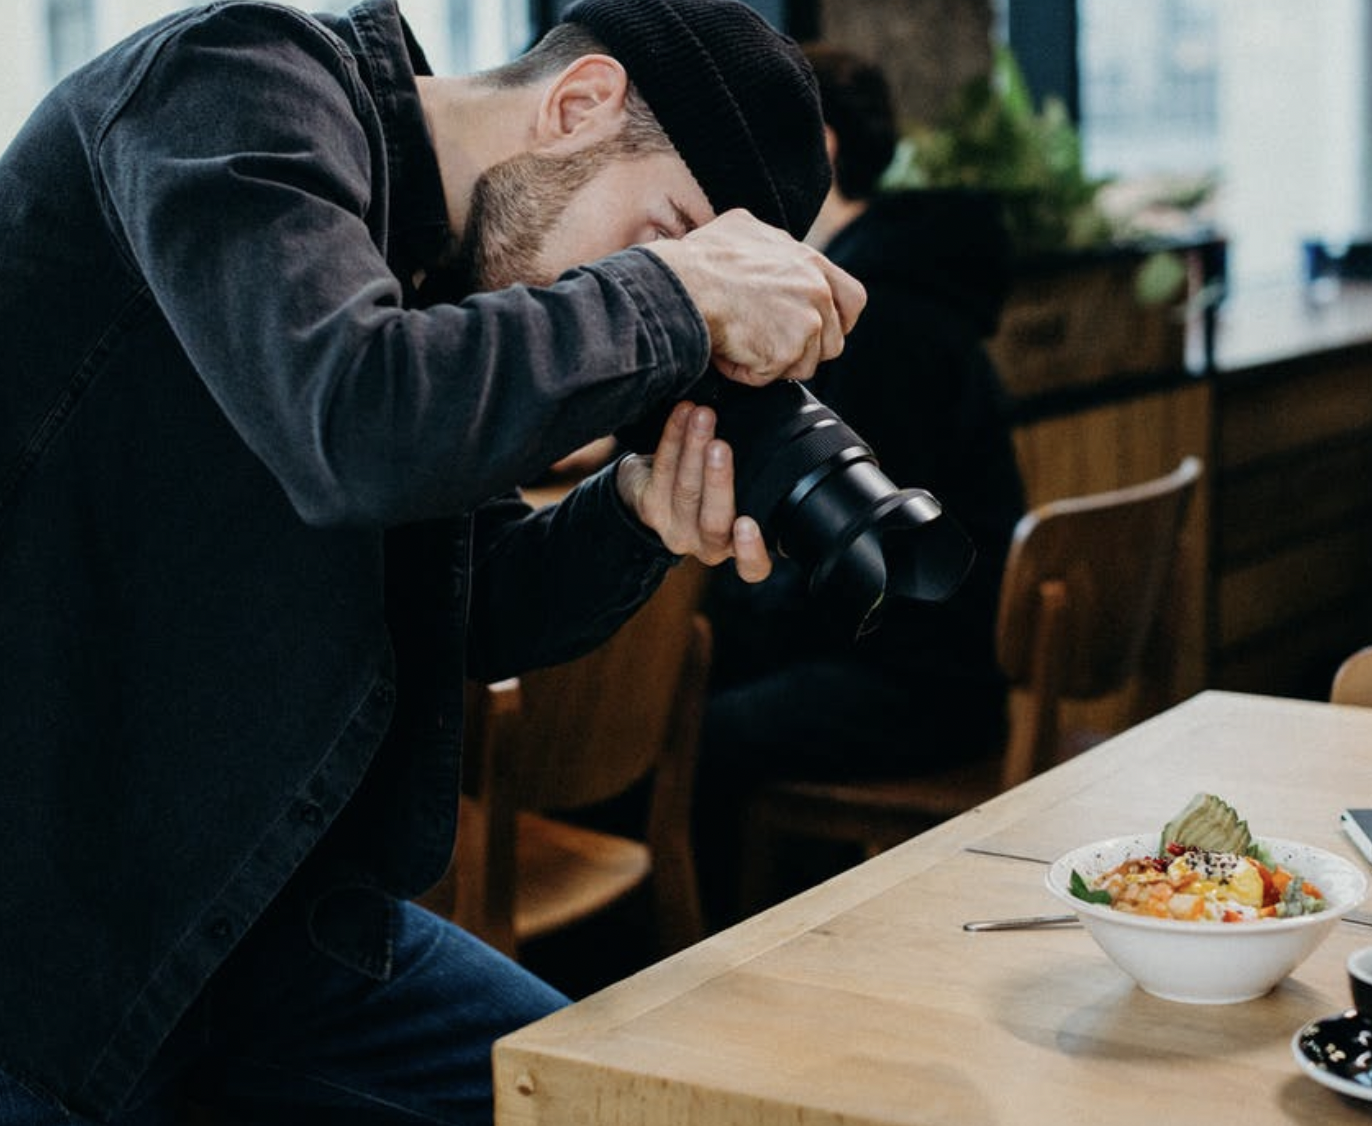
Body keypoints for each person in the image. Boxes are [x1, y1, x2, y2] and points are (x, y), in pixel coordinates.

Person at [0, 1, 864, 1122]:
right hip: (46, 946)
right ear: (578, 105)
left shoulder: (433, 272)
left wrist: (632, 515)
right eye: (664, 229)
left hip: (256, 929)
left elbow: (478, 602)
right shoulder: (230, 83)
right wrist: (681, 293)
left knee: (617, 1104)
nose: (656, 278)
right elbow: (351, 423)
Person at [696, 43, 1027, 920]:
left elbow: (868, 571)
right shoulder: (906, 283)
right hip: (943, 664)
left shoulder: (875, 321)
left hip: (917, 687)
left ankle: (690, 979)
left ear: (824, 152)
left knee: (675, 735)